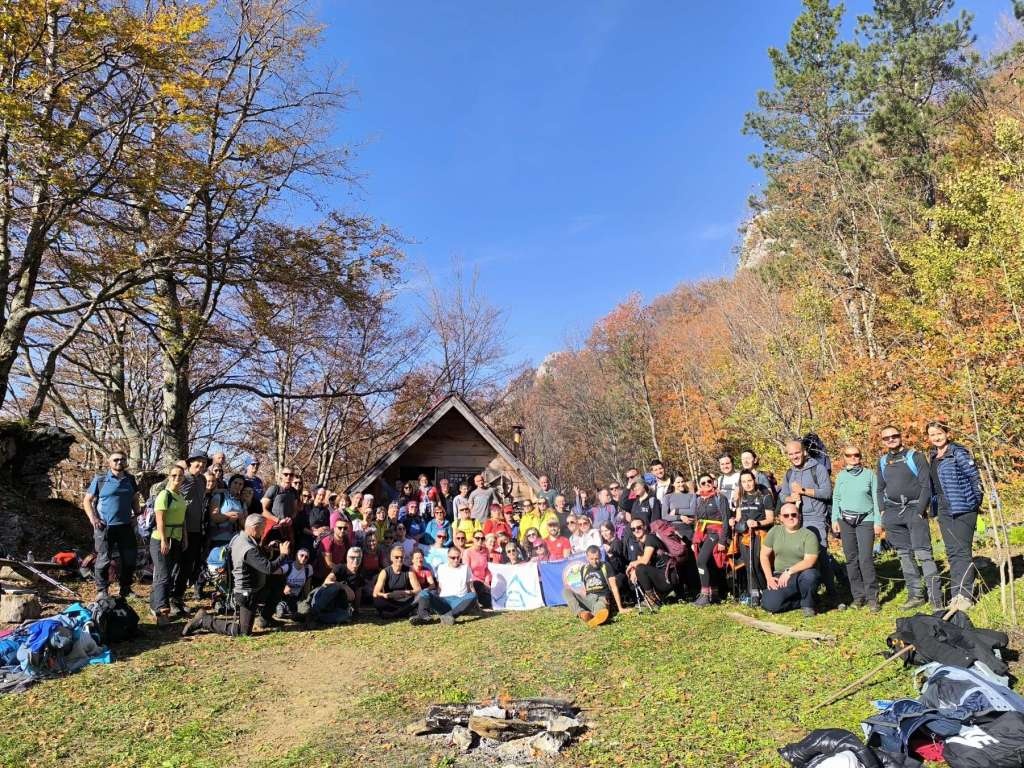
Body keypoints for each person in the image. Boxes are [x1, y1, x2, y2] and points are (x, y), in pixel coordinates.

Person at [182, 514, 289, 637]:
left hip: (253, 587)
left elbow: (253, 559)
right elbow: (268, 568)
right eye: (262, 528)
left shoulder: (238, 538)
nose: (263, 532)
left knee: (278, 581)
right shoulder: (248, 549)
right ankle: (205, 620)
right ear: (254, 528)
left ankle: (266, 618)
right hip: (247, 593)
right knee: (243, 632)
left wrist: (265, 550)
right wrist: (283, 555)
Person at [876, 426, 938, 610]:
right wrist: (882, 512)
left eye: (894, 436)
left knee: (924, 555)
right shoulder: (882, 461)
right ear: (883, 441)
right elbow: (879, 488)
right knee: (904, 556)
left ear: (901, 436)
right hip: (893, 513)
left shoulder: (915, 456)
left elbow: (926, 485)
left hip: (914, 510)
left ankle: (936, 598)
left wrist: (920, 510)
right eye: (887, 438)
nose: (891, 440)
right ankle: (915, 595)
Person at [927, 421, 983, 608]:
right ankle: (955, 595)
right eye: (932, 434)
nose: (936, 437)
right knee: (952, 553)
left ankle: (965, 596)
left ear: (947, 433)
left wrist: (974, 503)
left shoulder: (958, 452)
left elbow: (975, 478)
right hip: (943, 508)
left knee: (962, 551)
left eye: (939, 433)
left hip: (963, 507)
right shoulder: (933, 456)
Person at [780, 439, 839, 605]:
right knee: (800, 556)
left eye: (797, 453)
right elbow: (783, 495)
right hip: (796, 519)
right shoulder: (789, 473)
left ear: (804, 452)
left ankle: (833, 593)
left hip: (816, 517)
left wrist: (804, 491)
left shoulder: (817, 468)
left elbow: (827, 493)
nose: (794, 456)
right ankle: (809, 595)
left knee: (820, 554)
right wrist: (790, 497)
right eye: (791, 454)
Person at [83, 450, 141, 600]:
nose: (119, 462)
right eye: (115, 460)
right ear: (109, 462)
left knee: (129, 559)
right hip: (105, 526)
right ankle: (102, 590)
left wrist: (137, 514)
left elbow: (134, 499)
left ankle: (126, 589)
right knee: (103, 559)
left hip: (126, 526)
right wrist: (93, 518)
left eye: (122, 459)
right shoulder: (101, 479)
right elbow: (87, 500)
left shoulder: (130, 479)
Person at [832, 445, 882, 612]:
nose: (853, 458)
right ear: (844, 457)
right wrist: (834, 519)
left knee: (866, 558)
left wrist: (877, 521)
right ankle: (858, 596)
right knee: (851, 559)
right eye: (849, 455)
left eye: (856, 455)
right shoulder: (841, 476)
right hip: (845, 520)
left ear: (861, 457)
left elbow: (876, 498)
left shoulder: (870, 475)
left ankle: (872, 597)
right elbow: (836, 498)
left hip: (866, 519)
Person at [760, 503, 820, 616]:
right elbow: (764, 555)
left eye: (793, 514)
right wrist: (769, 578)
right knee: (769, 604)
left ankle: (808, 604)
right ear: (781, 518)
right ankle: (799, 602)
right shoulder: (775, 531)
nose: (790, 517)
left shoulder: (808, 535)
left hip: (801, 575)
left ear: (799, 516)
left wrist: (789, 571)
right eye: (786, 515)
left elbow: (810, 561)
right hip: (780, 576)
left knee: (810, 575)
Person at [172, 451, 209, 613]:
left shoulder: (202, 479)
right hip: (180, 529)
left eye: (203, 464)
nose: (200, 466)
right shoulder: (183, 478)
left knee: (188, 566)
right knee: (176, 566)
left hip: (196, 530)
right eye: (197, 463)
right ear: (190, 463)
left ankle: (178, 598)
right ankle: (168, 599)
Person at [149, 464, 187, 625]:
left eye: (180, 475)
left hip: (176, 538)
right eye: (174, 475)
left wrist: (185, 538)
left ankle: (154, 604)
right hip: (161, 539)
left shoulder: (180, 496)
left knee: (167, 575)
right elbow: (160, 519)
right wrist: (164, 539)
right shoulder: (164, 495)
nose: (177, 478)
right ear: (169, 476)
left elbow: (183, 519)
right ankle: (161, 610)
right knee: (163, 575)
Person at [734, 469, 775, 607]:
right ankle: (754, 593)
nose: (747, 484)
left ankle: (765, 590)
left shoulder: (765, 495)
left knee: (757, 563)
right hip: (744, 535)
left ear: (754, 480)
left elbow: (770, 518)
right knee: (748, 564)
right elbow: (739, 517)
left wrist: (757, 523)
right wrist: (733, 521)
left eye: (749, 480)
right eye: (744, 481)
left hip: (760, 534)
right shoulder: (740, 497)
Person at [692, 473, 732, 606]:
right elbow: (697, 520)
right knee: (709, 563)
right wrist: (694, 540)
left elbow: (725, 520)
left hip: (716, 533)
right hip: (702, 534)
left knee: (701, 561)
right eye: (703, 483)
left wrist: (722, 540)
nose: (707, 484)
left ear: (713, 482)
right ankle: (714, 594)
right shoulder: (699, 499)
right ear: (699, 485)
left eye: (709, 481)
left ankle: (704, 595)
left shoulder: (720, 498)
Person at [564, 545, 625, 627]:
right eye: (591, 559)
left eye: (597, 558)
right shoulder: (583, 569)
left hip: (602, 598)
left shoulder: (606, 566)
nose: (594, 561)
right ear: (587, 558)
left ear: (600, 556)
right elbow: (584, 588)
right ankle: (581, 613)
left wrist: (620, 608)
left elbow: (614, 587)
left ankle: (594, 617)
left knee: (601, 609)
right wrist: (581, 598)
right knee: (566, 591)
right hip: (589, 598)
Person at [415, 546, 477, 625]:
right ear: (448, 557)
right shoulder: (441, 568)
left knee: (473, 595)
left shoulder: (465, 567)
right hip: (444, 600)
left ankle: (449, 616)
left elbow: (471, 587)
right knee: (424, 592)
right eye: (453, 558)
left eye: (458, 557)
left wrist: (477, 606)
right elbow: (439, 587)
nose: (456, 560)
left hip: (459, 600)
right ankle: (424, 617)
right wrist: (435, 599)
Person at [625, 518, 671, 605]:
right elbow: (639, 561)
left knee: (640, 569)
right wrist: (633, 570)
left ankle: (652, 600)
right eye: (633, 529)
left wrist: (631, 564)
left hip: (668, 576)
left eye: (639, 527)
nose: (636, 530)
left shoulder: (650, 538)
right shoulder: (639, 545)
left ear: (645, 527)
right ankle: (655, 596)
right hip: (659, 576)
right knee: (636, 570)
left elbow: (645, 560)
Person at [372, 546, 422, 619]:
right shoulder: (385, 572)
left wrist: (405, 592)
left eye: (402, 557)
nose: (399, 559)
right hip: (390, 602)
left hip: (405, 600)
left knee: (421, 596)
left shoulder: (409, 571)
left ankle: (394, 614)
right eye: (397, 557)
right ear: (391, 558)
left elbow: (418, 590)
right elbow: (375, 593)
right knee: (377, 601)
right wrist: (388, 595)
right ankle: (404, 612)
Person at [208, 474, 246, 549]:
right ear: (230, 483)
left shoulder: (242, 502)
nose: (237, 485)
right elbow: (214, 517)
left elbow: (246, 523)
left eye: (240, 484)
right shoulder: (219, 497)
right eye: (235, 483)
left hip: (236, 540)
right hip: (218, 541)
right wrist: (229, 515)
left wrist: (240, 518)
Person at [276, 548, 313, 619]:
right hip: (283, 595)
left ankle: (289, 610)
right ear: (296, 556)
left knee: (302, 612)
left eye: (306, 557)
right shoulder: (288, 566)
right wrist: (284, 586)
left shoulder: (308, 569)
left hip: (296, 597)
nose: (303, 558)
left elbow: (307, 586)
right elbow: (275, 575)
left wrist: (306, 599)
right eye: (301, 555)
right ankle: (280, 606)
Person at [463, 531, 492, 607]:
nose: (480, 540)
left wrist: (487, 581)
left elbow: (488, 568)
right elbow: (467, 571)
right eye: (477, 538)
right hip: (473, 582)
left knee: (490, 601)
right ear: (473, 539)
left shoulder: (486, 551)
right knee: (478, 585)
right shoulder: (467, 552)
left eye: (482, 538)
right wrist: (483, 582)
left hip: (485, 582)